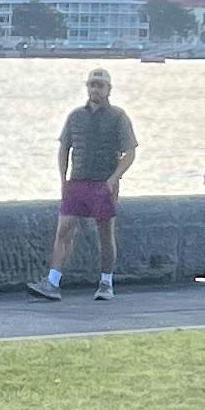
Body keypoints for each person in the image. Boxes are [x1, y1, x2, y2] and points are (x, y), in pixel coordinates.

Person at [32, 69, 136, 303]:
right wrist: (63, 178)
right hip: (77, 181)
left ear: (109, 89)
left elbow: (130, 152)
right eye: (92, 85)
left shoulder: (119, 117)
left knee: (105, 233)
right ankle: (52, 282)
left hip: (103, 183)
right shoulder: (75, 116)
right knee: (64, 229)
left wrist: (114, 179)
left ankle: (106, 283)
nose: (95, 89)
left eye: (100, 85)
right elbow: (64, 148)